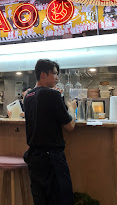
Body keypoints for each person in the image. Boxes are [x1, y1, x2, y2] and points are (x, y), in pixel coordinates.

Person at [23, 59, 76, 205]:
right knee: (61, 200)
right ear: (43, 74)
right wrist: (72, 108)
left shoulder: (27, 96)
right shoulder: (52, 95)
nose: (57, 77)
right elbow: (70, 126)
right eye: (54, 73)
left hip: (34, 158)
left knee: (40, 200)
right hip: (52, 158)